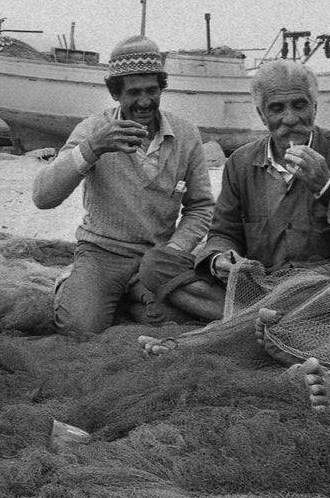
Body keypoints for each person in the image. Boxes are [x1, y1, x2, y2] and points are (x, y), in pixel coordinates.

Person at [146, 59, 330, 323]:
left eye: (299, 105)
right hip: (260, 287)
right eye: (277, 108)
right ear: (261, 115)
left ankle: (246, 320)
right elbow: (224, 232)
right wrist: (219, 258)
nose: (290, 119)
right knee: (157, 265)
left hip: (328, 289)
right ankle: (271, 320)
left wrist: (327, 187)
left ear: (314, 107)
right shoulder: (240, 163)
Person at [31, 35, 214, 335]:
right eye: (133, 92)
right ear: (115, 93)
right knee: (79, 328)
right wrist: (93, 147)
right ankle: (73, 281)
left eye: (152, 90)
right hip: (102, 253)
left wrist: (174, 249)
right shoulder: (93, 129)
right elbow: (42, 197)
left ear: (162, 87)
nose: (144, 102)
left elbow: (201, 206)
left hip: (157, 258)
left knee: (172, 322)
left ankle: (128, 295)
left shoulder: (186, 134)